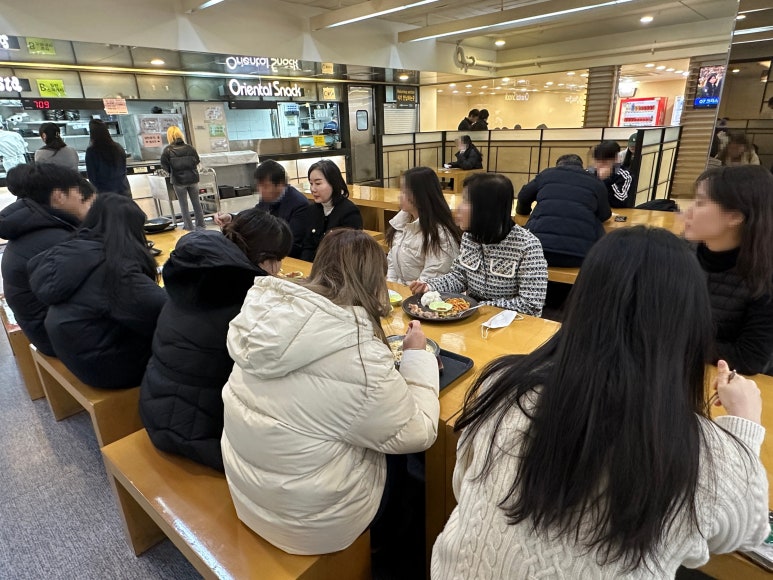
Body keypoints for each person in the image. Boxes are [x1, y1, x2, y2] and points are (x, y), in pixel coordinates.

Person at [432, 226, 769, 579]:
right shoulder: (704, 454)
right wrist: (744, 425)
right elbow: (747, 532)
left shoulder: (502, 384)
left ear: (581, 302)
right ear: (689, 325)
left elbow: (463, 483)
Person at [221, 228, 440, 555]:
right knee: (398, 456)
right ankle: (389, 552)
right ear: (375, 281)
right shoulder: (357, 353)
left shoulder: (267, 321)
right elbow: (418, 433)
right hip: (311, 524)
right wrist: (416, 356)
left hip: (251, 496)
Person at [140, 210, 292, 472]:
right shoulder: (246, 300)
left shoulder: (194, 274)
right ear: (266, 260)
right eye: (278, 260)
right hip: (204, 434)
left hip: (154, 410)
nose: (278, 269)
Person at [28, 193, 166, 389]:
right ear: (130, 230)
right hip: (109, 368)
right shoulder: (114, 269)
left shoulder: (74, 252)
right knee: (191, 338)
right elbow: (163, 312)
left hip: (77, 356)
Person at [410, 173, 547, 316]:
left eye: (465, 201)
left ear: (486, 209)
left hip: (513, 324)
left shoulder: (527, 246)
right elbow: (460, 277)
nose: (458, 208)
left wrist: (478, 306)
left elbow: (531, 304)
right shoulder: (470, 237)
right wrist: (430, 286)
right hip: (474, 318)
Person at [683, 166, 773, 375]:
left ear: (734, 216)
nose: (688, 211)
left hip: (730, 382)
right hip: (674, 370)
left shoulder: (764, 276)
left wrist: (675, 342)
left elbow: (750, 358)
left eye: (700, 202)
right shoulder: (679, 253)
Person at [0, 164, 95, 356]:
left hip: (47, 331)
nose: (83, 200)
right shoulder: (56, 240)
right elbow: (97, 292)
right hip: (63, 340)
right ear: (59, 196)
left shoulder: (36, 226)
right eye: (79, 195)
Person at [516, 154, 610, 267]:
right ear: (581, 166)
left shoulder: (547, 174)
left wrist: (523, 211)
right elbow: (605, 214)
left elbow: (523, 196)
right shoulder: (595, 181)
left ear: (558, 165)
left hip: (537, 251)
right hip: (580, 255)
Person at [214, 160, 309, 258]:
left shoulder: (299, 204)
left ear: (280, 184)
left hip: (286, 256)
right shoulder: (268, 198)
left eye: (265, 186)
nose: (260, 190)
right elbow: (253, 217)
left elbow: (293, 244)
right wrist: (231, 218)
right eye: (259, 186)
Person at [386, 166, 461, 285]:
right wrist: (391, 289)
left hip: (424, 294)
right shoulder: (401, 223)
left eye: (404, 191)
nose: (399, 196)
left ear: (419, 195)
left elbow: (431, 280)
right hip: (401, 292)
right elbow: (391, 266)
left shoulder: (440, 235)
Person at [300, 159, 362, 261]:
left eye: (318, 183)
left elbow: (349, 253)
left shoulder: (349, 212)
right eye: (311, 183)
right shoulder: (312, 210)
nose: (313, 189)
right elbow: (307, 247)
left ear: (333, 183)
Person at [160, 126, 205, 231]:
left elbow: (164, 166)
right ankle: (201, 225)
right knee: (197, 203)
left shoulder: (167, 150)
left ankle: (189, 227)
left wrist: (172, 172)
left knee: (183, 205)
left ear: (169, 136)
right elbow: (197, 161)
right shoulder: (190, 148)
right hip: (193, 179)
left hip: (178, 181)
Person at [85, 119, 131, 196]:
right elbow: (124, 167)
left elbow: (92, 177)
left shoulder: (92, 151)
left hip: (105, 193)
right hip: (123, 189)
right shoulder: (118, 147)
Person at [590, 140, 634, 208]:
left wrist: (606, 180)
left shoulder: (625, 175)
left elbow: (621, 201)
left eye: (604, 162)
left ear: (615, 159)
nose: (599, 165)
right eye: (597, 160)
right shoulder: (589, 172)